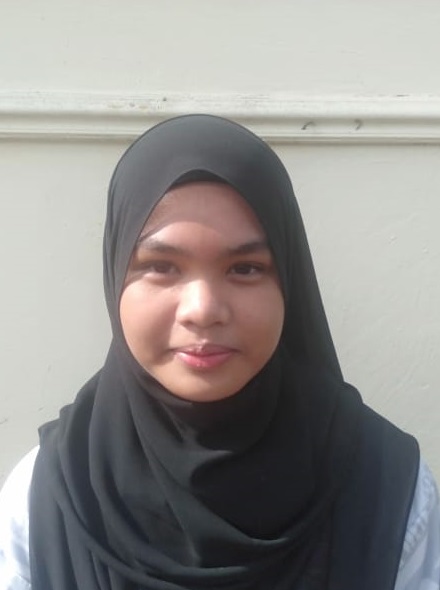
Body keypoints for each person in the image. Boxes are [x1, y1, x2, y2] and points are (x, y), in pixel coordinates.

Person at [0, 114, 439, 589]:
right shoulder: (47, 498)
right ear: (115, 275)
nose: (203, 310)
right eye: (161, 266)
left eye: (245, 268)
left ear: (288, 281)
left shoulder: (389, 491)